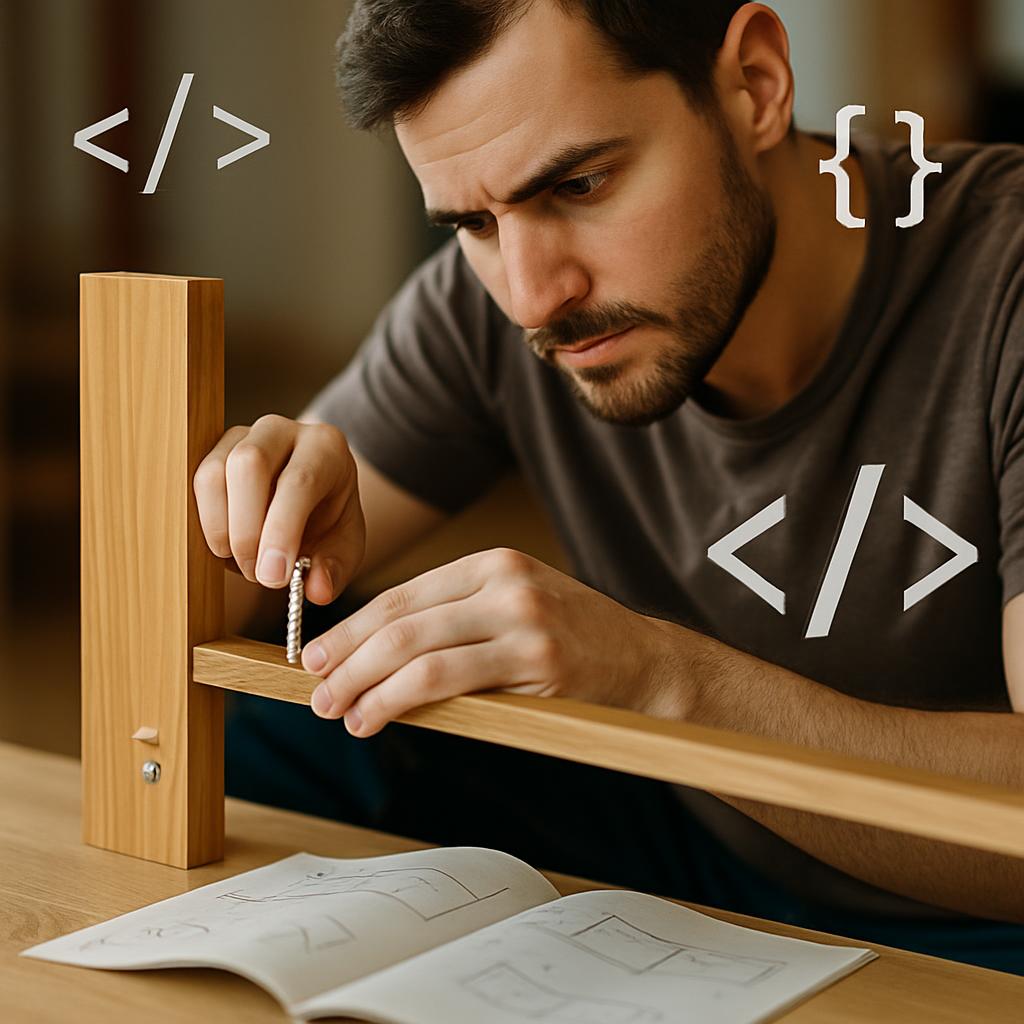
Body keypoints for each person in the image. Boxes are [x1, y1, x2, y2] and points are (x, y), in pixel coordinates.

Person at [193, 0, 1024, 974]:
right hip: (696, 838)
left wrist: (662, 678)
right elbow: (219, 603)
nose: (532, 297)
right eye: (471, 222)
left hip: (983, 913)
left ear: (755, 85)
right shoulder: (492, 303)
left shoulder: (1001, 271)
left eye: (579, 184)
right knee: (330, 701)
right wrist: (247, 518)